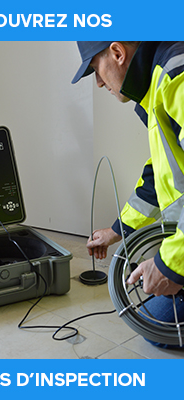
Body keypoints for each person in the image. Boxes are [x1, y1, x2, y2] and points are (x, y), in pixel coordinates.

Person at [72, 41, 184, 347]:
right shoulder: (159, 82)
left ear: (118, 53)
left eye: (96, 68)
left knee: (158, 326)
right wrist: (115, 231)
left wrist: (171, 263)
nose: (97, 82)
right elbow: (159, 173)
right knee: (154, 317)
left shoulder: (177, 74)